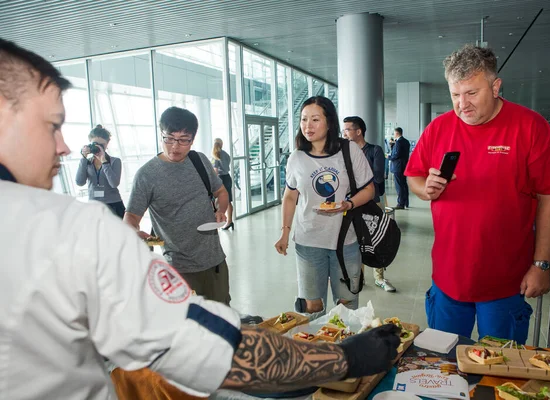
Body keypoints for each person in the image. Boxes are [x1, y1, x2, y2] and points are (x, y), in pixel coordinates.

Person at [0, 38, 401, 399]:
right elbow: (214, 349)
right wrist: (345, 359)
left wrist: (224, 205)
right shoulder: (69, 233)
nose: (65, 145)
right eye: (52, 125)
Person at [404, 44, 550, 343]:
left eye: (472, 93)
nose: (462, 104)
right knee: (442, 369)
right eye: (455, 95)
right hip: (447, 279)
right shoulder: (439, 128)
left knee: (497, 373)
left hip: (505, 282)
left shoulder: (530, 127)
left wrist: (541, 265)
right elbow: (413, 177)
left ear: (496, 87)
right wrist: (426, 189)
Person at [274, 96, 375, 315]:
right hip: (308, 241)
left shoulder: (349, 150)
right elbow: (290, 197)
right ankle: (318, 349)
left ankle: (344, 349)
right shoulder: (296, 157)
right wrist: (284, 233)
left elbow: (369, 189)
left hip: (346, 240)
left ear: (329, 122)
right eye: (303, 119)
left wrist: (348, 203)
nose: (307, 126)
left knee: (346, 306)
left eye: (315, 119)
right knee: (312, 306)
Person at [124, 107, 231, 305]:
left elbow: (221, 192)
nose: (175, 146)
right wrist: (132, 231)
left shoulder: (200, 161)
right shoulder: (147, 175)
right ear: (161, 134)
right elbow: (131, 216)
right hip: (178, 269)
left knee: (222, 320)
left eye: (183, 140)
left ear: (192, 139)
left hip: (214, 262)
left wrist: (221, 210)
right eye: (169, 138)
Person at [343, 115, 397, 293]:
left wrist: (358, 175)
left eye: (347, 129)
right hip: (352, 205)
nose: (344, 133)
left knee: (376, 240)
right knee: (356, 241)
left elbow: (378, 176)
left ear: (358, 131)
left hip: (373, 203)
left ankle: (380, 278)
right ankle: (358, 278)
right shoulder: (344, 152)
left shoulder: (375, 150)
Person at [75, 124, 125, 218]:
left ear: (107, 143)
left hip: (113, 205)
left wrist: (104, 162)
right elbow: (79, 182)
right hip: (93, 205)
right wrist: (83, 158)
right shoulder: (87, 162)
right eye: (95, 144)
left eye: (102, 145)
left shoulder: (115, 161)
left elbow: (114, 183)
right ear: (89, 143)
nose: (98, 147)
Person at [212, 137, 234, 230]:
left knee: (217, 201)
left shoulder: (216, 155)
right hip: (227, 178)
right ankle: (229, 221)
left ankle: (219, 221)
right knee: (228, 201)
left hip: (220, 178)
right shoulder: (226, 154)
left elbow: (215, 171)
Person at [389, 127, 410, 209]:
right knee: (404, 184)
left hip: (398, 167)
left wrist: (389, 157)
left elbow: (396, 155)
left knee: (399, 186)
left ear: (397, 133)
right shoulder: (406, 142)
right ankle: (406, 202)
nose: (393, 135)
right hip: (404, 166)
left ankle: (400, 204)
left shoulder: (398, 142)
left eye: (394, 133)